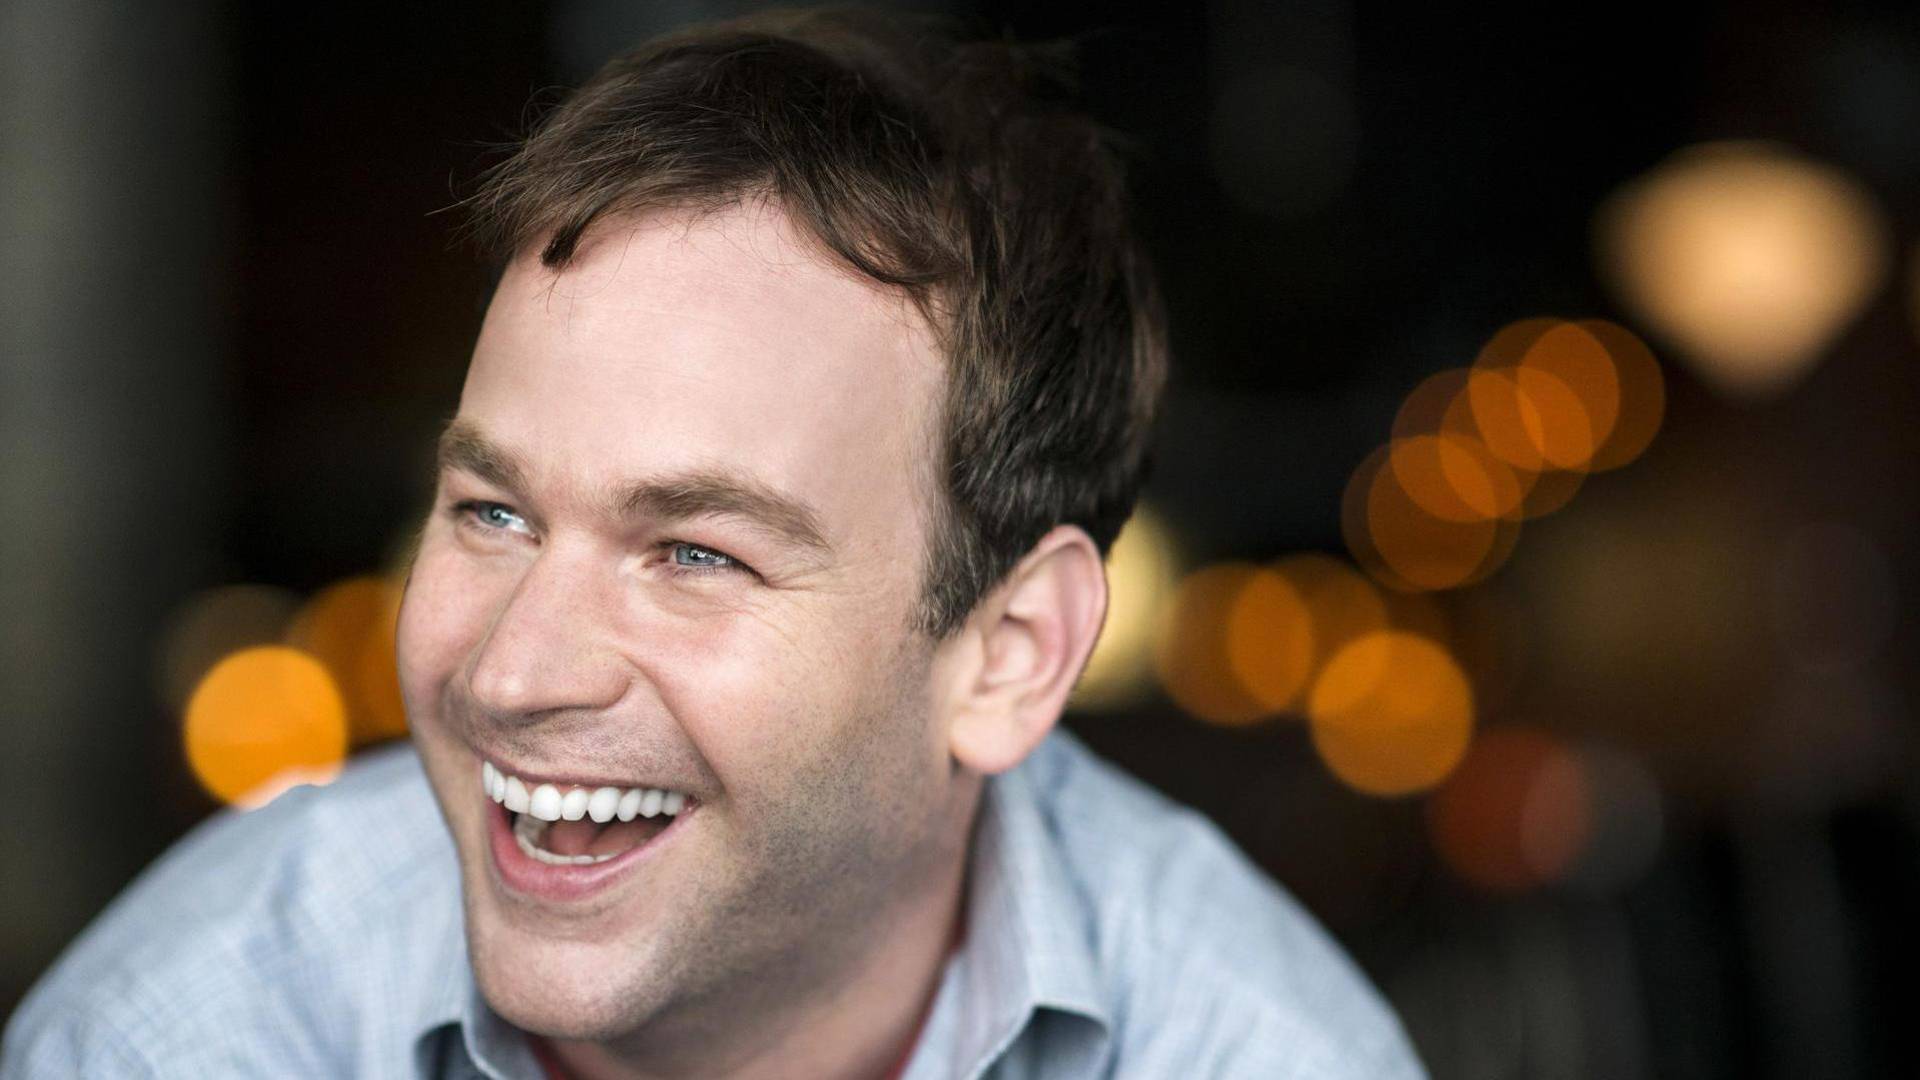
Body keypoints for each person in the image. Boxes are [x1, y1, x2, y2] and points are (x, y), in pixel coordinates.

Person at [2, 9, 1422, 1079]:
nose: (512, 674)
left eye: (694, 553)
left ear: (1009, 653)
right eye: (493, 514)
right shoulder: (181, 1039)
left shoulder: (1258, 1050)